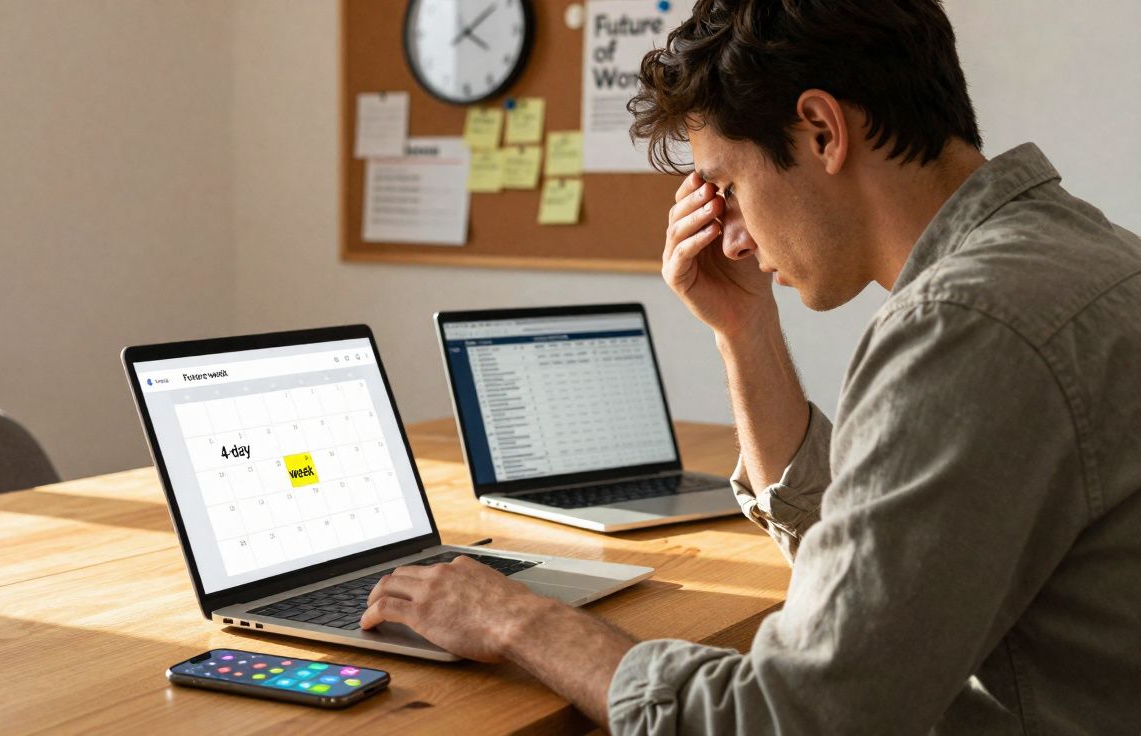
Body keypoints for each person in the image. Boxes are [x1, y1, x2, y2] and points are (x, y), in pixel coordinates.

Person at [361, 0, 1141, 732]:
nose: (730, 237)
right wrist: (744, 327)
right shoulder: (1078, 256)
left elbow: (791, 718)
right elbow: (870, 586)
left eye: (727, 185)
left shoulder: (964, 327)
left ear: (821, 131)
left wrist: (518, 618)